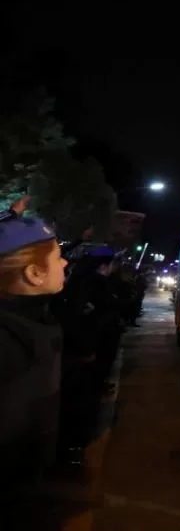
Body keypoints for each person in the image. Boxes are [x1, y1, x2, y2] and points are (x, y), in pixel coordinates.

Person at [0, 209, 67, 514]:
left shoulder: (31, 321)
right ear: (34, 274)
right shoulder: (10, 339)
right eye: (57, 257)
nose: (65, 262)